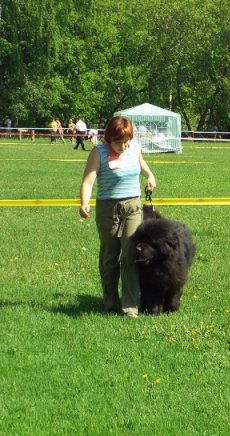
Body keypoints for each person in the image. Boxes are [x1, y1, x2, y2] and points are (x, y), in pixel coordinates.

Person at [79, 116, 157, 318]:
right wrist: (84, 203)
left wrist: (150, 176)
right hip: (108, 209)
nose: (123, 146)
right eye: (118, 142)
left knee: (130, 255)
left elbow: (141, 165)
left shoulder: (134, 148)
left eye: (126, 141)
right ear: (108, 138)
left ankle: (130, 306)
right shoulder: (99, 152)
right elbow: (88, 181)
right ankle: (110, 302)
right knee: (109, 257)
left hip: (133, 206)